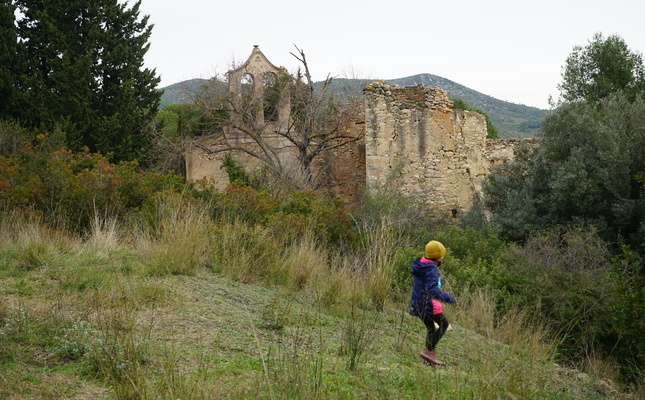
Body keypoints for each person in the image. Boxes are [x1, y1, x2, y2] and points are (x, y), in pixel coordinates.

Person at [409, 240, 455, 365]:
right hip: (427, 304)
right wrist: (448, 298)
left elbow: (426, 281)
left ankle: (428, 358)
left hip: (417, 303)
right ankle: (429, 352)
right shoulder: (432, 269)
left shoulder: (421, 265)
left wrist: (438, 280)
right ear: (439, 256)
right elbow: (432, 290)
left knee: (430, 328)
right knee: (443, 325)